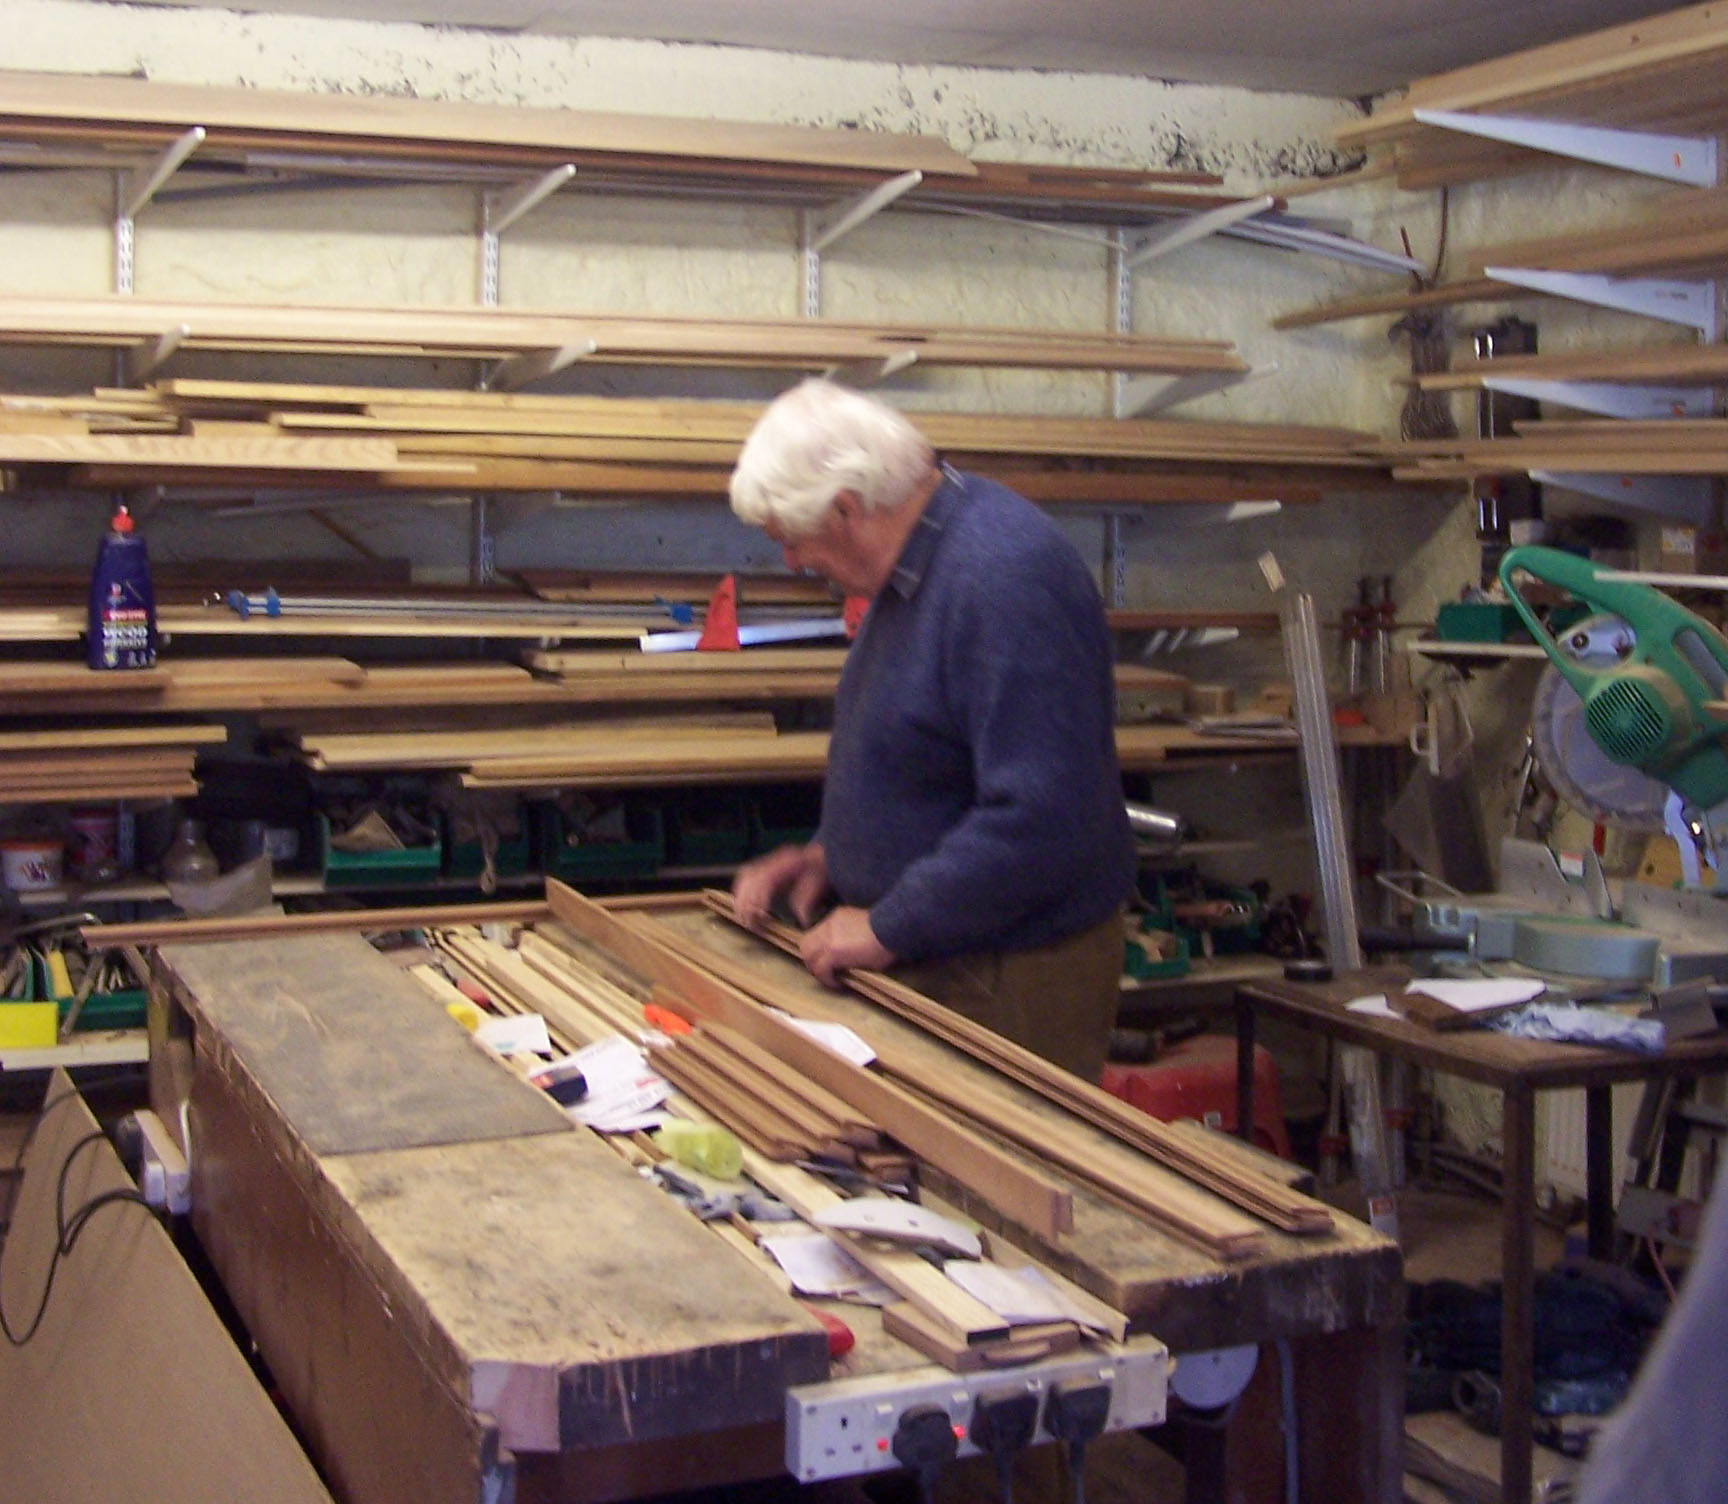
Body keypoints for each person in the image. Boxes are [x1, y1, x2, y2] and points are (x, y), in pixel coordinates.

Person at [728, 378, 1135, 1082]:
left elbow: (1042, 816)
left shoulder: (1002, 577)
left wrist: (891, 923)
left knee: (986, 1186)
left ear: (848, 508)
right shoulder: (918, 567)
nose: (792, 563)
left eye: (791, 540)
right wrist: (835, 853)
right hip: (955, 953)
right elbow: (927, 751)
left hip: (1009, 974)